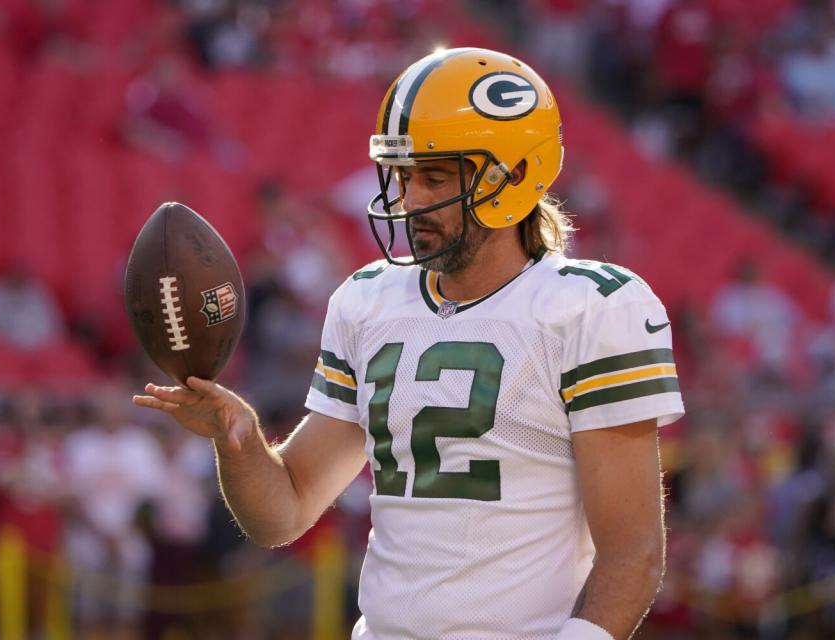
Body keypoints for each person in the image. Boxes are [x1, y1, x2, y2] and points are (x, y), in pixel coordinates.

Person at [134, 47, 684, 640]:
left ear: (515, 173)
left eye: (435, 176)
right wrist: (236, 441)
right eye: (402, 175)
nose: (411, 199)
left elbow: (633, 553)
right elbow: (284, 512)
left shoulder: (590, 307)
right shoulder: (368, 300)